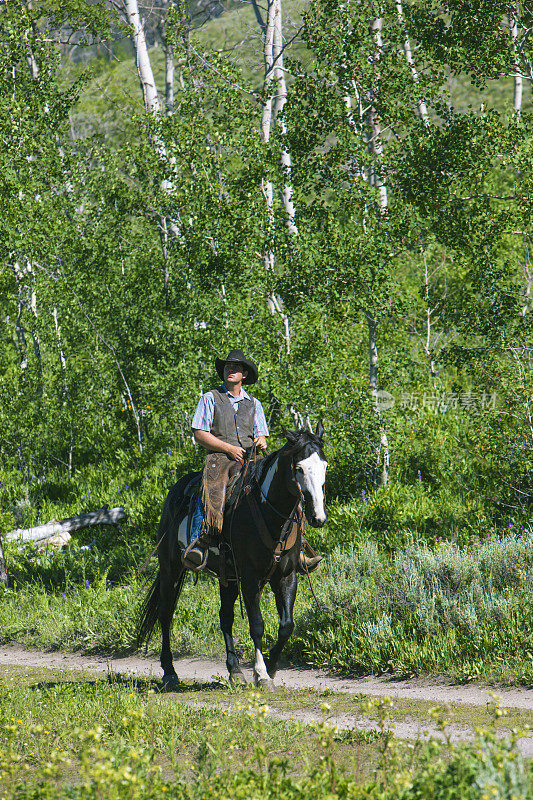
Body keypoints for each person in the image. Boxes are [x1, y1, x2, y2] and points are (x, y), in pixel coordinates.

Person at [183, 349, 322, 574]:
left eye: (235, 367)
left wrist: (261, 440)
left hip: (250, 459)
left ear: (244, 375)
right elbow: (199, 433)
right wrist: (228, 448)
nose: (230, 369)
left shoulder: (254, 403)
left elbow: (262, 434)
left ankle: (299, 546)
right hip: (220, 459)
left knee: (287, 488)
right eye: (228, 366)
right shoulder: (210, 398)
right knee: (211, 488)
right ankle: (199, 541)